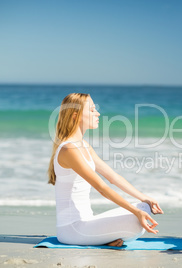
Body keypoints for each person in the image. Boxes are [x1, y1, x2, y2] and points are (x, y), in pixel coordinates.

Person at [47, 93, 163, 246]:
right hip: (73, 231)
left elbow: (113, 177)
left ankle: (103, 239)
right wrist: (136, 213)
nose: (98, 113)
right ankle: (102, 239)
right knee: (137, 220)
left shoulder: (84, 146)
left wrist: (145, 198)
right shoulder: (69, 149)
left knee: (144, 207)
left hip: (88, 223)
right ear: (76, 115)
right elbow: (101, 187)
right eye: (93, 110)